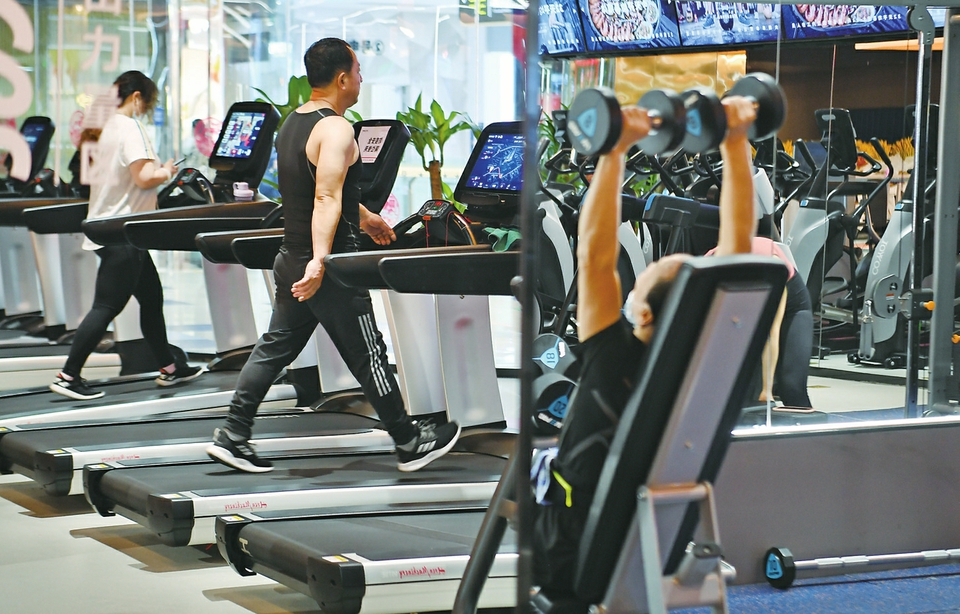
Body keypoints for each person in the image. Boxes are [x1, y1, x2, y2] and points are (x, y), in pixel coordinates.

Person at [532, 95, 763, 596]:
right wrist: (736, 141)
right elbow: (739, 249)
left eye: (640, 282)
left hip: (568, 556)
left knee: (528, 464)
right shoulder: (709, 362)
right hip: (660, 545)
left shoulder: (612, 356)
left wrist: (614, 149)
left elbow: (594, 255)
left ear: (642, 312)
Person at [205, 38, 460, 474]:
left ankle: (233, 432)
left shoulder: (294, 122)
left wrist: (367, 218)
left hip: (290, 257)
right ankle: (408, 441)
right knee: (369, 353)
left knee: (274, 348)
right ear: (342, 79)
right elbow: (324, 198)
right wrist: (322, 261)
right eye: (358, 71)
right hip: (329, 268)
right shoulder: (338, 129)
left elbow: (321, 191)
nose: (361, 78)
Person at [50, 71, 203, 401]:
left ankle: (169, 367)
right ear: (136, 98)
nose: (145, 110)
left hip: (112, 228)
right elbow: (144, 177)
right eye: (147, 103)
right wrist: (167, 171)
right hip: (123, 232)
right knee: (106, 306)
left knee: (152, 298)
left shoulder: (104, 128)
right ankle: (68, 375)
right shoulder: (131, 128)